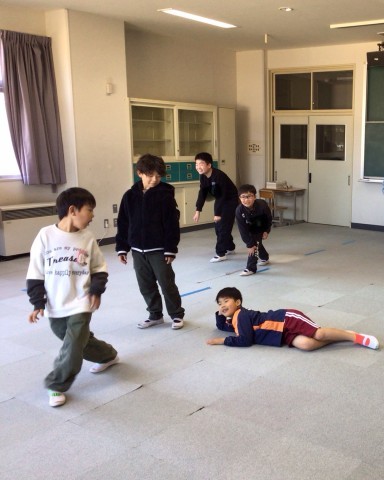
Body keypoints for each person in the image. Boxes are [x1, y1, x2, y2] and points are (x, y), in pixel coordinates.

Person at [26, 187, 119, 407]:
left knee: (75, 341)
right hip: (56, 303)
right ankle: (107, 355)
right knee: (73, 339)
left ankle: (57, 384)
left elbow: (99, 267)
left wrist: (96, 290)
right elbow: (35, 272)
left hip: (82, 300)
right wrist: (37, 303)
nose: (93, 215)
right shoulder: (45, 236)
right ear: (72, 210)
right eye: (89, 210)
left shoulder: (87, 237)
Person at [116, 154, 185, 330]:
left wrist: (170, 249)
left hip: (159, 250)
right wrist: (122, 248)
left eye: (158, 176)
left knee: (167, 283)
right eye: (150, 175)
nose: (154, 179)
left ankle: (176, 314)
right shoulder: (129, 196)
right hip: (138, 251)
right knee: (145, 285)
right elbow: (123, 223)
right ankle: (155, 315)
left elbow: (171, 224)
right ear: (139, 173)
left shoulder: (165, 195)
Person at [206, 287, 380, 350]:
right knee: (307, 345)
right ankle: (342, 336)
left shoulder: (241, 315)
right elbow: (225, 327)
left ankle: (356, 337)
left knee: (318, 334)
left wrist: (222, 341)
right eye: (219, 303)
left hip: (287, 319)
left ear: (238, 302)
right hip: (281, 335)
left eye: (226, 301)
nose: (222, 305)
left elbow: (245, 340)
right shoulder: (234, 321)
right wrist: (220, 315)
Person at [193, 152, 238, 262]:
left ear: (209, 165)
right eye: (196, 164)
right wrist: (198, 210)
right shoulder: (203, 176)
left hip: (230, 201)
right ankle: (230, 247)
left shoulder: (219, 176)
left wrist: (218, 214)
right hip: (220, 200)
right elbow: (202, 193)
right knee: (220, 227)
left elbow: (223, 196)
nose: (198, 167)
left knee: (222, 227)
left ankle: (220, 253)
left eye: (201, 164)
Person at [235, 184, 273, 276]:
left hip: (259, 223)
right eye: (243, 197)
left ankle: (251, 268)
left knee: (255, 242)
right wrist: (249, 244)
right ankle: (265, 257)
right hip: (248, 225)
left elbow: (268, 219)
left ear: (255, 197)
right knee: (254, 243)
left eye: (249, 196)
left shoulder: (262, 205)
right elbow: (242, 230)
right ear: (239, 198)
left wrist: (266, 231)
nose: (246, 200)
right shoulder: (239, 210)